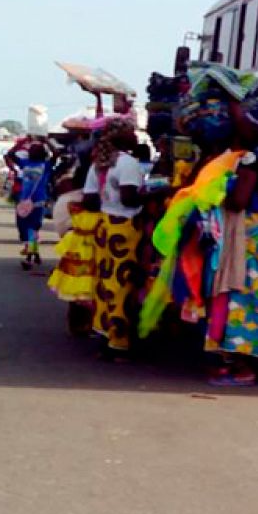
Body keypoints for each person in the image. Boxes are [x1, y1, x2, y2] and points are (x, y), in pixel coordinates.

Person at [206, 105, 258, 387]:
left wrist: (222, 196)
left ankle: (242, 365)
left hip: (252, 234)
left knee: (244, 295)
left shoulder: (254, 158)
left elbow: (240, 199)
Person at [83, 120, 147, 359]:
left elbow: (90, 200)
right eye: (131, 132)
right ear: (121, 137)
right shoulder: (128, 163)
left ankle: (103, 335)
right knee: (123, 284)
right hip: (125, 228)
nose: (135, 136)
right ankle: (118, 341)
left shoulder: (98, 164)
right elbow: (130, 199)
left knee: (103, 283)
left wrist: (107, 198)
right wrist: (151, 195)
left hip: (104, 226)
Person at [11, 143, 54, 269]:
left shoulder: (46, 165)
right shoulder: (25, 163)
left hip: (38, 203)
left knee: (32, 230)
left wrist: (46, 141)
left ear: (42, 153)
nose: (32, 151)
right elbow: (10, 155)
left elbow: (56, 154)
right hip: (23, 202)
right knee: (23, 229)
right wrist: (22, 142)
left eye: (36, 150)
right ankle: (35, 253)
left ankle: (29, 258)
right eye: (31, 149)